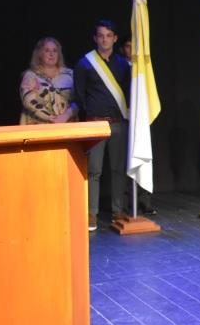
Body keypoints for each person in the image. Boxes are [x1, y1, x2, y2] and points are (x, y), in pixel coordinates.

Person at [73, 20, 131, 230]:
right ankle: (91, 213)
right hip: (95, 124)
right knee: (94, 171)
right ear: (95, 38)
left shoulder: (123, 64)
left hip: (118, 123)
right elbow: (79, 94)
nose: (104, 39)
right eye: (101, 35)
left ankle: (117, 210)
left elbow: (128, 93)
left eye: (109, 35)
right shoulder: (85, 63)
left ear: (115, 38)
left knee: (118, 169)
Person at [118, 36, 156, 215]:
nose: (131, 49)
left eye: (134, 46)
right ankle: (127, 202)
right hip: (124, 116)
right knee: (127, 160)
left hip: (142, 118)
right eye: (128, 46)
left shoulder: (144, 69)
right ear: (122, 49)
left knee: (144, 157)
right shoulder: (119, 68)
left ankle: (145, 201)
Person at [19, 37, 77, 125]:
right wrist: (50, 118)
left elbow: (79, 100)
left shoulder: (70, 75)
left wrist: (66, 116)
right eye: (47, 50)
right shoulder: (30, 76)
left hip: (66, 125)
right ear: (39, 54)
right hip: (38, 127)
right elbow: (28, 101)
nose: (51, 54)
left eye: (54, 51)